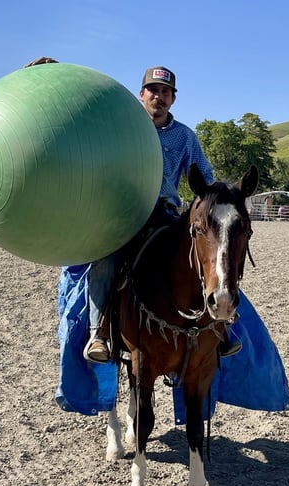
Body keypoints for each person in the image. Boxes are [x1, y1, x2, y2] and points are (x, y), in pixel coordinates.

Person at [80, 65, 241, 362]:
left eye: (165, 92)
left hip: (164, 213)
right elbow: (85, 122)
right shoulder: (122, 127)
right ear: (141, 94)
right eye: (153, 90)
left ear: (173, 99)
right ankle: (99, 333)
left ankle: (222, 325)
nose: (159, 96)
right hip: (122, 213)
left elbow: (204, 177)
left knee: (212, 256)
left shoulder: (184, 137)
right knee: (104, 261)